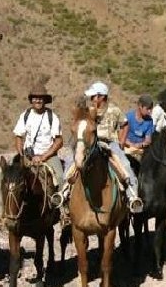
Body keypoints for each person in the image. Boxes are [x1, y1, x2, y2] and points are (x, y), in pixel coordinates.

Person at [55, 82, 143, 214]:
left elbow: (125, 124)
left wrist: (122, 141)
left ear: (101, 97)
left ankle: (132, 198)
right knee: (70, 161)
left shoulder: (114, 110)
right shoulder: (87, 111)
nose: (91, 99)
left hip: (109, 143)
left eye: (93, 96)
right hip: (89, 143)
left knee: (125, 165)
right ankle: (64, 192)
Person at [1, 83, 64, 227]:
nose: (38, 100)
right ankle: (4, 213)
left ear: (45, 100)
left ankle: (64, 212)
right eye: (35, 98)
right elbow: (18, 136)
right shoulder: (25, 115)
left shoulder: (51, 117)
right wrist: (21, 154)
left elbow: (59, 141)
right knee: (7, 177)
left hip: (48, 155)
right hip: (28, 156)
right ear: (31, 100)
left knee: (61, 177)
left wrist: (43, 157)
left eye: (40, 98)